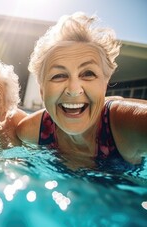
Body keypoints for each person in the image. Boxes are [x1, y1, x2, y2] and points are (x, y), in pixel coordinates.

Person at [16, 12, 147, 166]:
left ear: (105, 84)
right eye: (58, 75)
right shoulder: (30, 130)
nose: (73, 89)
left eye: (88, 73)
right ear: (42, 90)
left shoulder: (125, 125)